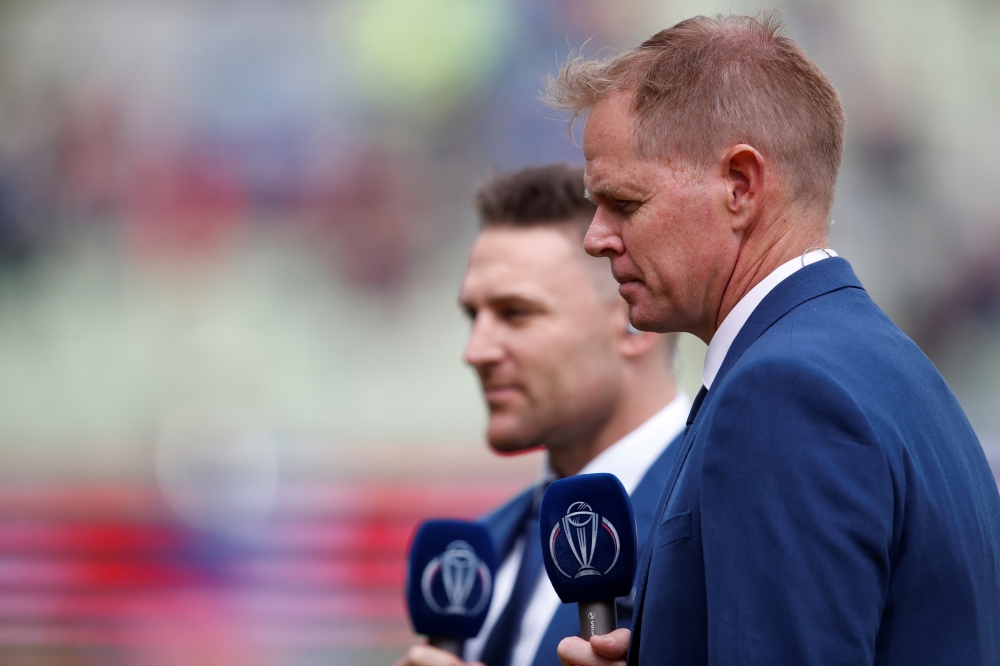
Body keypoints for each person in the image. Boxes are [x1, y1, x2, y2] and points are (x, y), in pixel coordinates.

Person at [543, 13, 1000, 666]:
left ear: (741, 186)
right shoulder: (890, 368)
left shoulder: (783, 395)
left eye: (625, 203)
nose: (596, 236)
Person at [395, 164, 689, 666]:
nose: (477, 350)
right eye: (474, 316)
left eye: (516, 313)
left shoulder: (722, 517)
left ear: (636, 327)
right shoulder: (478, 550)